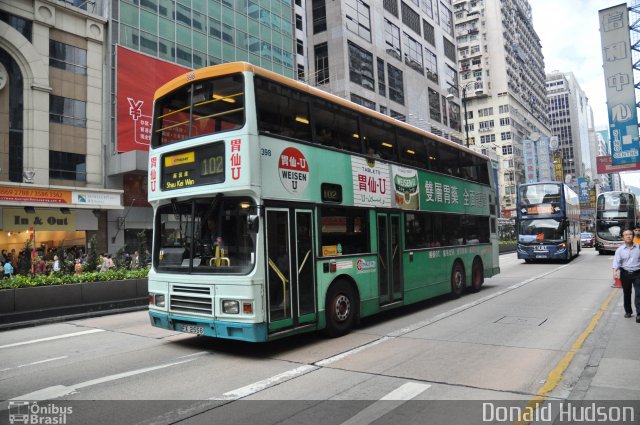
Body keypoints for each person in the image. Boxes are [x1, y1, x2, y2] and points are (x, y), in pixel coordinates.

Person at [612, 229, 640, 322]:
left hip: (638, 273)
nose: (628, 236)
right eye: (626, 235)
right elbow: (616, 262)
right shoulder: (620, 250)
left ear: (633, 236)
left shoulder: (639, 248)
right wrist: (614, 272)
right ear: (623, 237)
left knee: (639, 294)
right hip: (625, 273)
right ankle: (628, 311)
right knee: (627, 293)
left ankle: (639, 314)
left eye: (630, 234)